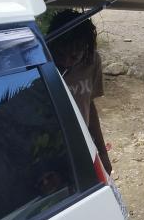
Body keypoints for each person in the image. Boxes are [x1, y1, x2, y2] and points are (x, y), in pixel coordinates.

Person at [48, 10, 113, 174]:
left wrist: (103, 153)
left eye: (74, 56)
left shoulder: (91, 62)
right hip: (49, 149)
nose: (66, 62)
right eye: (60, 54)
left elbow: (89, 105)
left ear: (86, 48)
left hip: (81, 145)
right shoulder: (44, 65)